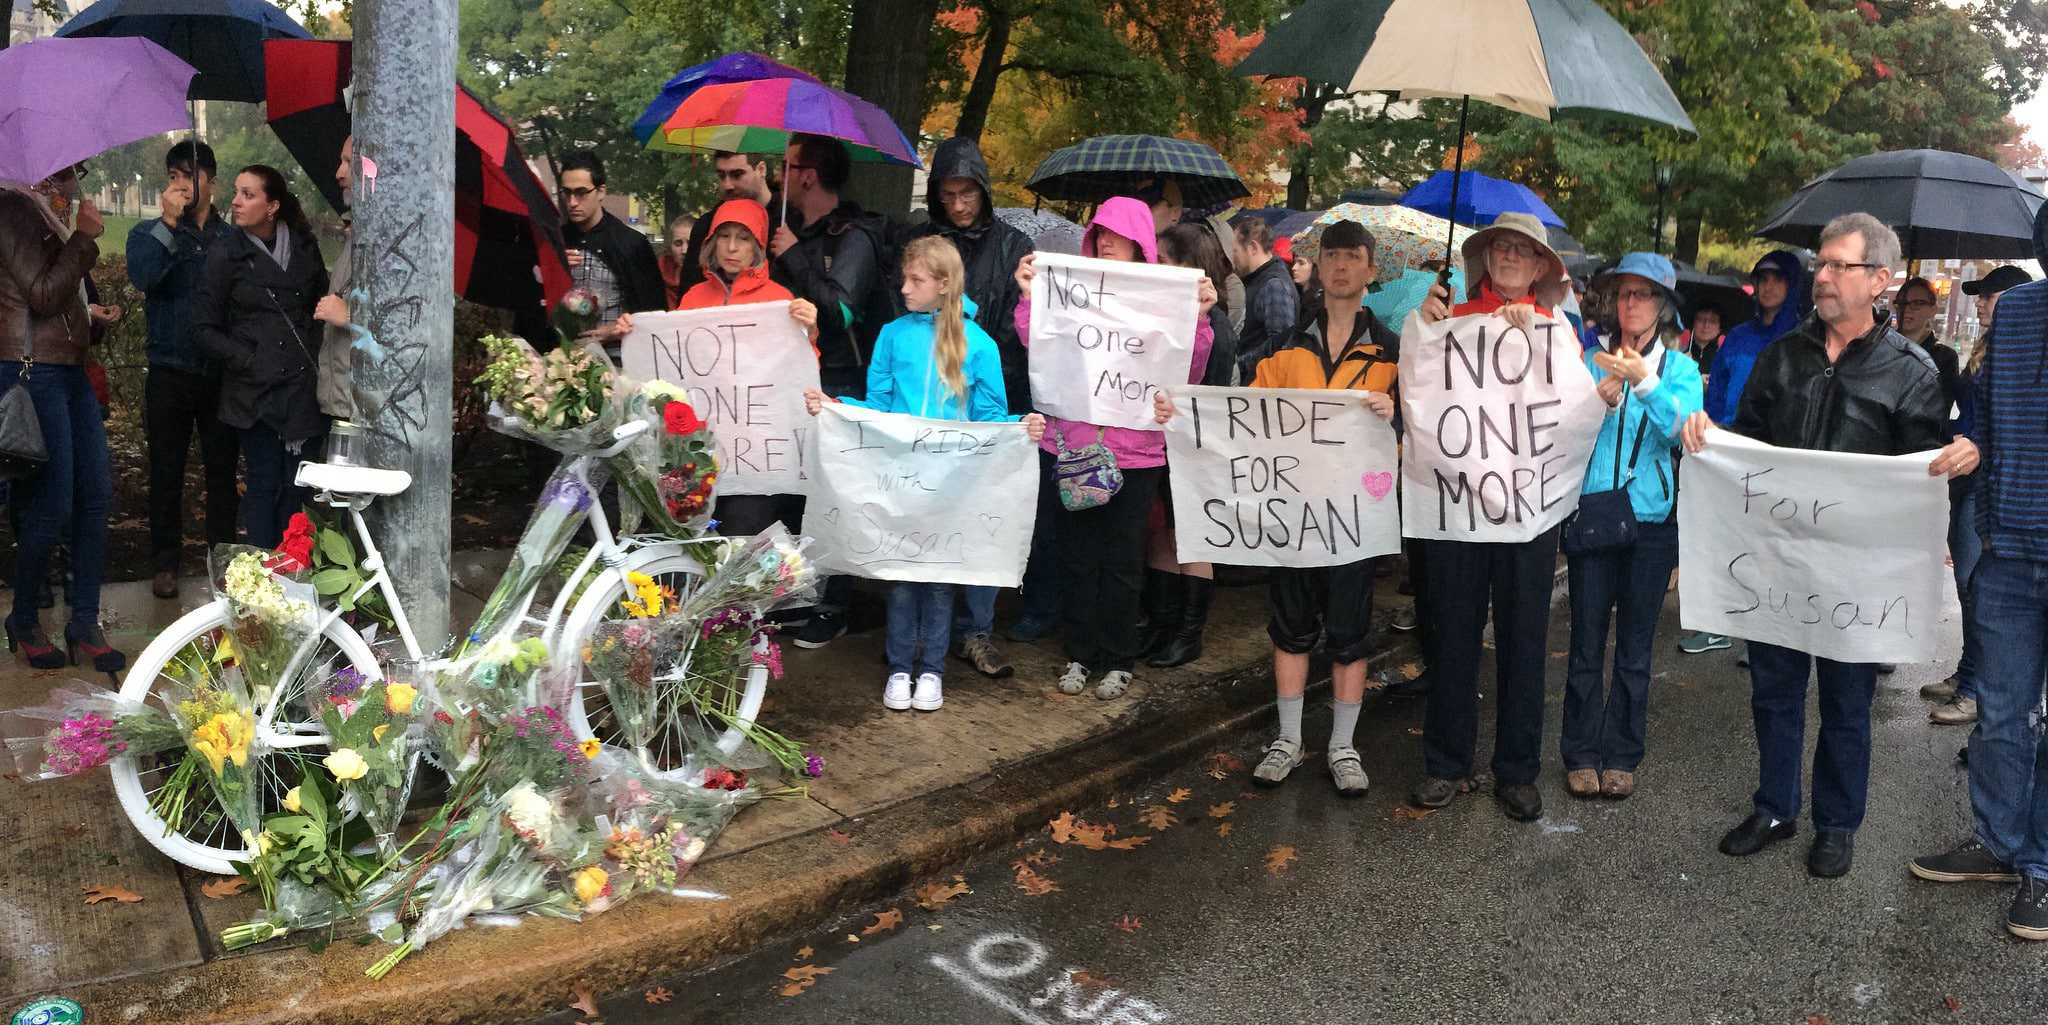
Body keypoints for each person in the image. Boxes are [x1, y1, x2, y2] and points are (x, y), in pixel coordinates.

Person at [1680, 212, 1959, 878]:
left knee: (1844, 702)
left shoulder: (1913, 373)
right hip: (1779, 563)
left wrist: (1957, 460)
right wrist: (1706, 437)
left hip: (1855, 580)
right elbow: (1745, 441)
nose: (1823, 276)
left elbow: (1921, 476)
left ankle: (1837, 823)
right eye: (1823, 263)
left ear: (1880, 281)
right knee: (1773, 691)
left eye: (1840, 265)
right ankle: (1775, 806)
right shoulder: (1783, 355)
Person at [1156, 218, 1397, 795]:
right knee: (1289, 628)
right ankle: (1287, 739)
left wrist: (1398, 418)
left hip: (1354, 524)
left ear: (1371, 269)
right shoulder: (1289, 347)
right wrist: (1185, 415)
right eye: (1331, 255)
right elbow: (1244, 417)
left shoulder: (1391, 350)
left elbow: (1417, 431)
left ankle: (1343, 746)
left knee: (1349, 633)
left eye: (1352, 256)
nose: (1339, 266)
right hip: (1291, 519)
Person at [803, 236, 1046, 712]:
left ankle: (931, 670)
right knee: (901, 574)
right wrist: (836, 406)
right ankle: (899, 667)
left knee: (938, 577)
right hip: (902, 477)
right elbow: (879, 405)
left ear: (943, 284)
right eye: (906, 277)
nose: (905, 286)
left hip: (952, 483)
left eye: (916, 279)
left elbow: (989, 414)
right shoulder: (893, 335)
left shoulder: (979, 344)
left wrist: (1020, 425)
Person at [1012, 198, 1217, 701]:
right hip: (1075, 447)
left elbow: (1187, 372)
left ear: (1139, 243)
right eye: (1099, 232)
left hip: (1136, 453)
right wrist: (1028, 299)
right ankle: (1081, 652)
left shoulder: (1165, 297)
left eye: (1115, 234)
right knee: (1079, 558)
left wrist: (1202, 322)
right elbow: (1039, 346)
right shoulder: (1069, 292)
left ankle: (1118, 657)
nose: (1104, 240)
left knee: (1123, 561)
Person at [1908, 218, 2048, 939]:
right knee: (2000, 711)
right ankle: (1998, 843)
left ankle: (2043, 866)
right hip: (2009, 546)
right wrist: (1973, 441)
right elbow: (1987, 415)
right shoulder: (2018, 311)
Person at [1410, 211, 1570, 823]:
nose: (1509, 256)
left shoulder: (1557, 331)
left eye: (1521, 251)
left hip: (1526, 513)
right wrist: (1424, 328)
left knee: (1524, 638)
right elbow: (1418, 391)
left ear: (1537, 268)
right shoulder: (1444, 318)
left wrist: (1536, 340)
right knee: (1452, 633)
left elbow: (1574, 411)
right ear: (1486, 259)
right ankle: (1446, 762)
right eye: (1501, 247)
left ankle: (1517, 770)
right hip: (1459, 510)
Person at [1561, 254, 1703, 802]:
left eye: (1644, 295)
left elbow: (1682, 433)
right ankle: (1579, 752)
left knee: (1636, 648)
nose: (1632, 304)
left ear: (1663, 305)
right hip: (1593, 513)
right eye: (1625, 294)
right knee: (1585, 641)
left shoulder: (1682, 370)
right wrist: (1596, 402)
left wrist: (1645, 385)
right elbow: (1562, 428)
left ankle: (1621, 753)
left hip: (1650, 524)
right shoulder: (1589, 359)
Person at [904, 138, 1035, 679]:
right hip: (931, 400)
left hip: (991, 390)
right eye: (949, 194)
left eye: (968, 193)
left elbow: (1023, 321)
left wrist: (981, 355)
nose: (959, 205)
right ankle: (919, 632)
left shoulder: (1013, 243)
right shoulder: (922, 241)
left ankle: (976, 630)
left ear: (983, 189)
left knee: (981, 521)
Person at [616, 200, 818, 539]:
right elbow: (672, 364)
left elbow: (800, 372)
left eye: (743, 237)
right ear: (711, 241)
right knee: (697, 547)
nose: (732, 247)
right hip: (698, 456)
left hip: (754, 461)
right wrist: (635, 333)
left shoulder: (780, 299)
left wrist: (809, 331)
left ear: (758, 244)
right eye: (724, 236)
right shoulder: (694, 296)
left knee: (741, 548)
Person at [0, 166, 122, 672]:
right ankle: (24, 618)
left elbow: (59, 297)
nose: (75, 176)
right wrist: (85, 239)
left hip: (68, 369)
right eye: (70, 169)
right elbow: (42, 293)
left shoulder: (41, 209)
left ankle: (84, 622)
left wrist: (89, 319)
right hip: (33, 372)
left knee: (95, 495)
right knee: (52, 502)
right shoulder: (11, 208)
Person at [773, 132, 893, 649]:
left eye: (786, 166)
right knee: (797, 491)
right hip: (796, 377)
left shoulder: (856, 236)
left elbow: (841, 309)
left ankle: (834, 604)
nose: (780, 175)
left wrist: (797, 256)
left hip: (844, 381)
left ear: (808, 174)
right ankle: (800, 593)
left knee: (836, 493)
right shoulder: (794, 230)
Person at [1678, 250, 1810, 656]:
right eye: (1762, 278)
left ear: (1792, 285)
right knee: (1727, 538)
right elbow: (1717, 391)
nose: (1768, 286)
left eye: (1778, 279)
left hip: (1778, 453)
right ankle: (1719, 622)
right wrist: (1712, 430)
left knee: (1772, 545)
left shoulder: (1804, 337)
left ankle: (1770, 638)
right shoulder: (1737, 336)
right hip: (1730, 449)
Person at [1920, 265, 2034, 728]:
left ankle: (1974, 691)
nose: (1981, 302)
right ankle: (1967, 673)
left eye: (1989, 295)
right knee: (1971, 587)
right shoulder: (1986, 346)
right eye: (1980, 295)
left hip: (1988, 482)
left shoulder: (2022, 351)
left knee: (1973, 586)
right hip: (1963, 476)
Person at [195, 165, 330, 550]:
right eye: (236, 192)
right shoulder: (225, 252)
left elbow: (321, 306)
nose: (235, 202)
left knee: (298, 487)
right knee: (263, 483)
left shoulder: (304, 246)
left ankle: (294, 576)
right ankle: (261, 580)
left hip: (302, 390)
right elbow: (202, 329)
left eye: (248, 194)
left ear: (272, 206)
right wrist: (251, 360)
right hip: (254, 395)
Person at [127, 140, 238, 601]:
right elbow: (143, 277)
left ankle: (223, 562)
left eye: (189, 174)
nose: (180, 183)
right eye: (173, 174)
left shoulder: (230, 239)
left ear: (211, 180)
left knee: (221, 472)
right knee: (166, 471)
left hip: (218, 375)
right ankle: (165, 562)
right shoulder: (148, 234)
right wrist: (170, 224)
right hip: (169, 370)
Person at [1138, 222, 1240, 670]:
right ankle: (1163, 624)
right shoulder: (1167, 315)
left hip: (1195, 449)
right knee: (1163, 532)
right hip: (1162, 446)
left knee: (1192, 539)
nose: (1155, 268)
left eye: (1164, 261)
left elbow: (1209, 392)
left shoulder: (1214, 324)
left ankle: (1188, 632)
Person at [557, 150, 666, 358]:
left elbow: (655, 313)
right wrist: (554, 269)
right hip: (561, 358)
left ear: (601, 192)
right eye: (566, 193)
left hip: (619, 360)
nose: (572, 202)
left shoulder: (631, 243)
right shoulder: (555, 242)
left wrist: (616, 330)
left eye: (581, 192)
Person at [678, 151, 779, 296]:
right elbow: (689, 291)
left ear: (761, 169)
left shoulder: (790, 220)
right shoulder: (706, 226)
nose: (727, 185)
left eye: (737, 175)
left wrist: (791, 253)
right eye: (721, 176)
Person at [311, 137, 358, 423]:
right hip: (342, 405)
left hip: (367, 415)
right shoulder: (357, 236)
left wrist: (350, 315)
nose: (339, 173)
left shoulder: (395, 239)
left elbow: (412, 324)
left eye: (350, 163)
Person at [1231, 215, 1298, 383]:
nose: (1232, 259)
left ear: (1253, 247)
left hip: (1257, 386)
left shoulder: (1274, 285)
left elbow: (1279, 345)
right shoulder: (1262, 280)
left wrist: (1237, 365)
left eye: (1235, 251)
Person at [658, 212, 695, 308]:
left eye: (690, 243)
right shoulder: (657, 275)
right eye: (678, 243)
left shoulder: (711, 278)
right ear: (670, 246)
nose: (684, 250)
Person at [1686, 304, 1723, 377]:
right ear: (1693, 323)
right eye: (1700, 319)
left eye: (1713, 321)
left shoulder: (1723, 361)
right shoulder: (1678, 354)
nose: (1706, 325)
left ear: (1720, 328)